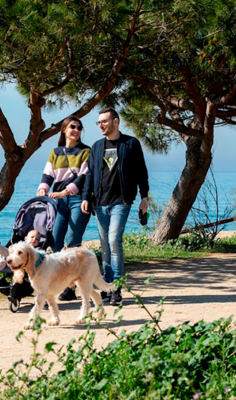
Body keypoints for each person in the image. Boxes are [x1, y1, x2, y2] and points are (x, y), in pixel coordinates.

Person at [81, 108, 149, 306]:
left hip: (122, 201)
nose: (101, 125)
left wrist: (144, 197)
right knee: (104, 246)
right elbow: (90, 174)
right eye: (99, 122)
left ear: (115, 122)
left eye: (104, 121)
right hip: (100, 204)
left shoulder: (131, 144)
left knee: (113, 241)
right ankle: (107, 287)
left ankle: (117, 287)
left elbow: (141, 172)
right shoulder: (96, 147)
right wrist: (86, 197)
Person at [37, 116, 91, 301]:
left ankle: (71, 288)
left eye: (79, 127)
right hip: (59, 202)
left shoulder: (86, 151)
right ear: (64, 130)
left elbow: (83, 176)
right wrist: (43, 188)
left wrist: (65, 192)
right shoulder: (56, 152)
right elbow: (48, 174)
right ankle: (58, 281)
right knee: (56, 242)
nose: (76, 130)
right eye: (72, 127)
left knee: (73, 241)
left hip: (77, 199)